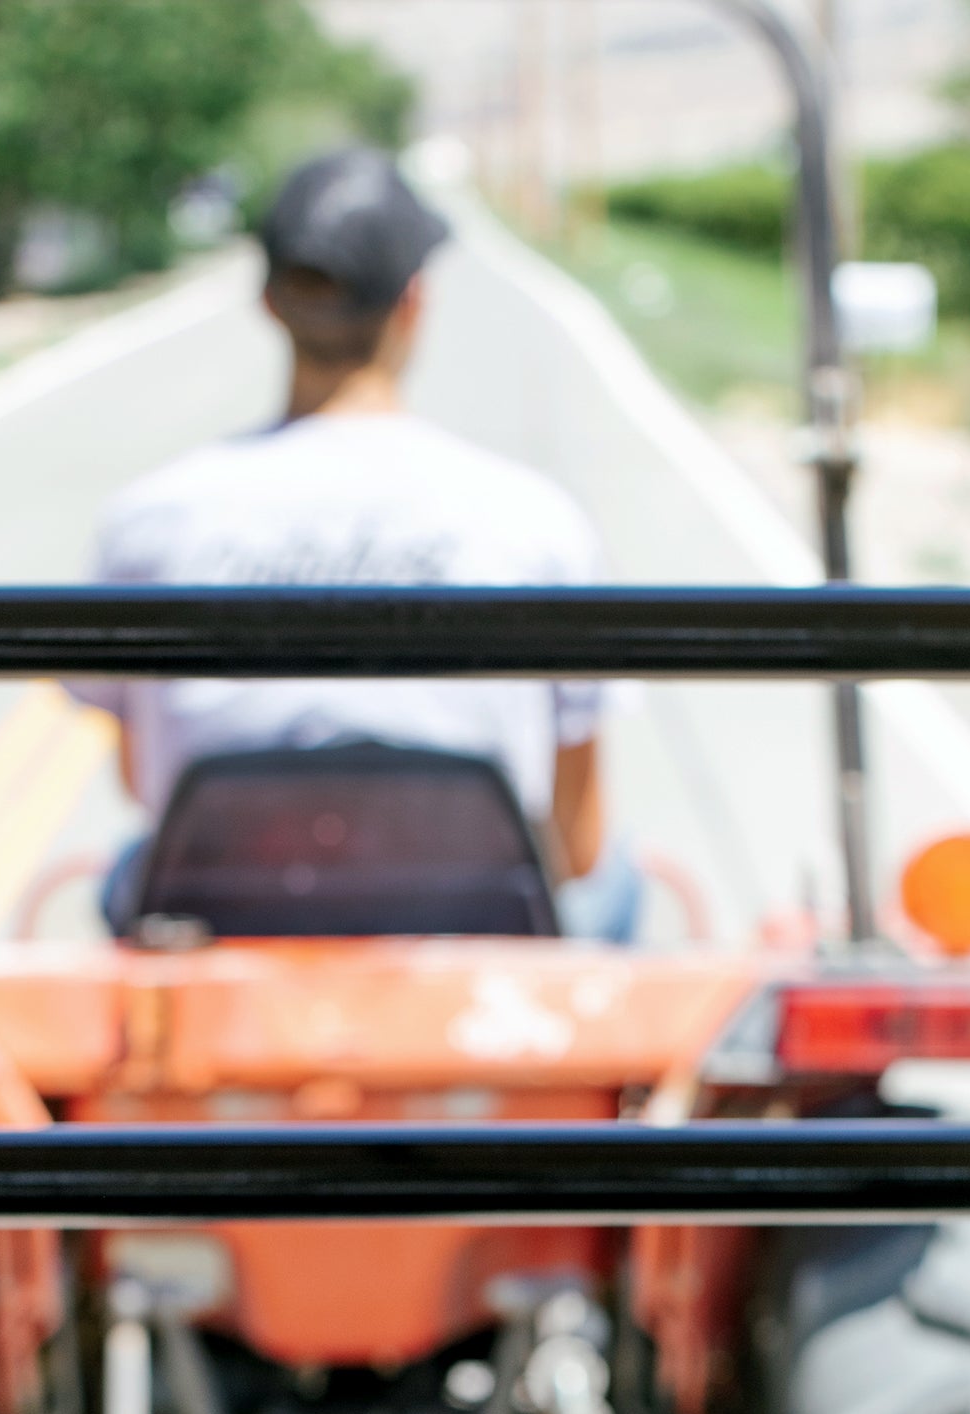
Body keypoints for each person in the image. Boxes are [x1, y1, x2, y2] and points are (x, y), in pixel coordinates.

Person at [74, 148, 637, 940]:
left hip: (223, 918)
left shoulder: (149, 518)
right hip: (471, 925)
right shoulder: (536, 519)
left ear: (269, 302)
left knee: (118, 874)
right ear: (413, 303)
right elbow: (577, 845)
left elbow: (144, 783)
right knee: (625, 882)